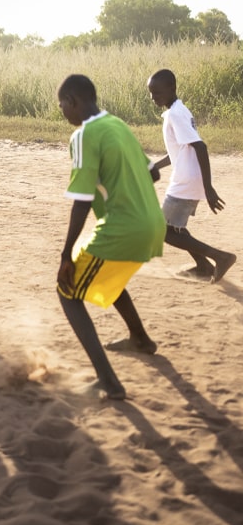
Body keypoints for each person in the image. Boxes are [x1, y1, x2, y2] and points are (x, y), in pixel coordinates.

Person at [56, 74, 165, 401]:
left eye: (62, 106)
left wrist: (65, 254)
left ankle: (108, 381)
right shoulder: (118, 125)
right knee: (107, 272)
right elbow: (153, 172)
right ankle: (140, 339)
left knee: (67, 291)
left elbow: (82, 200)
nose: (63, 112)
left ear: (73, 101)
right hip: (153, 223)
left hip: (123, 228)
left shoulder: (83, 134)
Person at [147, 68, 236, 283]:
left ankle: (220, 257)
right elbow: (180, 150)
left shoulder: (176, 114)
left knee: (164, 231)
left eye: (157, 92)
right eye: (150, 93)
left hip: (186, 181)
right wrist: (155, 167)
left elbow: (200, 147)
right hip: (187, 179)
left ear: (172, 88)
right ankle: (203, 266)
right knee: (175, 228)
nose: (153, 97)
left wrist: (209, 188)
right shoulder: (177, 110)